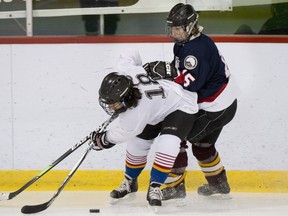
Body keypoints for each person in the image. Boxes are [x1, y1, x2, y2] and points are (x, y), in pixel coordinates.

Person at [143, 3, 238, 200]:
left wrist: (167, 75)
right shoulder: (184, 44)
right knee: (202, 145)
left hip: (215, 106)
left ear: (190, 26)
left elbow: (191, 84)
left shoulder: (198, 50)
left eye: (178, 28)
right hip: (223, 102)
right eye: (172, 28)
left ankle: (176, 187)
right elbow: (180, 72)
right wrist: (168, 73)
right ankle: (219, 184)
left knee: (175, 136)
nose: (174, 32)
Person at [89, 50, 199, 207]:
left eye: (114, 103)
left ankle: (155, 186)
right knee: (137, 144)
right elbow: (130, 53)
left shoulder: (136, 113)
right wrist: (141, 67)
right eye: (108, 102)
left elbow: (123, 133)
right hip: (155, 108)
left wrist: (103, 140)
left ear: (126, 97)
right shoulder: (125, 72)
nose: (110, 106)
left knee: (168, 144)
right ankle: (130, 181)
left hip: (181, 105)